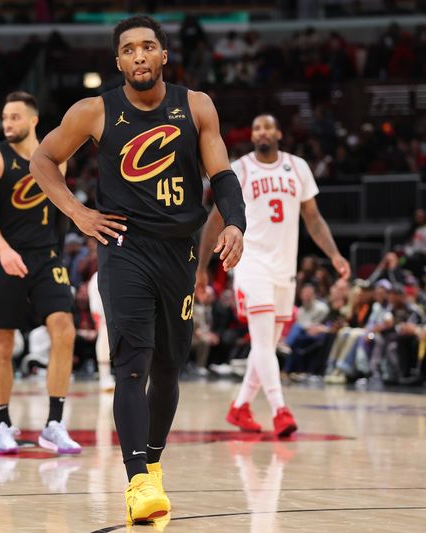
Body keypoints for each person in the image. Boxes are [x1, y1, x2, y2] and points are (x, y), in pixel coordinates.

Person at [30, 16, 246, 524]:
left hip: (180, 250)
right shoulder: (93, 110)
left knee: (170, 367)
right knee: (132, 364)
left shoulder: (196, 106)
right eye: (130, 49)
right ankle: (136, 481)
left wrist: (235, 223)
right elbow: (43, 159)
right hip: (123, 247)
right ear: (119, 61)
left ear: (164, 55)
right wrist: (79, 213)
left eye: (149, 46)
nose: (140, 56)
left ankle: (152, 464)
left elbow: (222, 173)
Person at [196, 113, 350, 437]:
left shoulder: (298, 167)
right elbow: (215, 220)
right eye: (256, 128)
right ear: (252, 136)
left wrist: (334, 255)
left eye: (267, 126)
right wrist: (201, 268)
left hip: (285, 269)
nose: (262, 132)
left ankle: (240, 407)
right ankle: (280, 410)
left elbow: (314, 219)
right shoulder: (239, 169)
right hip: (251, 264)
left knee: (266, 345)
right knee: (265, 343)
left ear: (279, 132)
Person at [0, 91, 80, 456]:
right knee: (3, 343)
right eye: (5, 117)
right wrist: (3, 249)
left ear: (33, 121)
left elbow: (61, 212)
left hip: (45, 256)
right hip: (3, 254)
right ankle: (3, 425)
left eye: (15, 117)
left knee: (64, 329)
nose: (8, 123)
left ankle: (54, 424)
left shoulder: (53, 158)